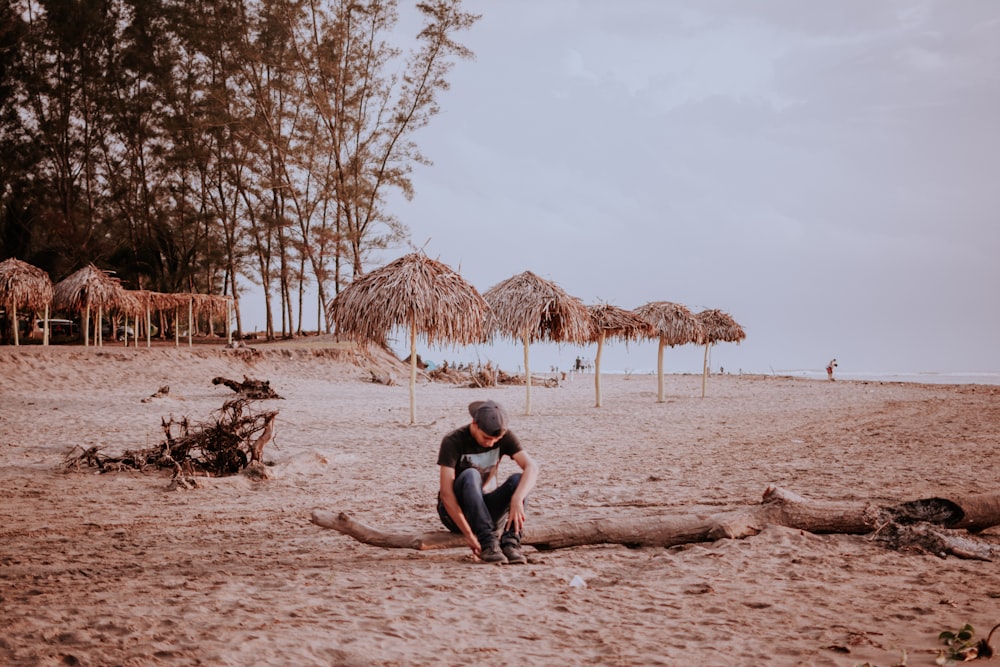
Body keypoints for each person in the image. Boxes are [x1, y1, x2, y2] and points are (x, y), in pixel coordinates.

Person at [437, 400, 539, 564]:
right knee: (471, 474)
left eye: (495, 440)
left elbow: (532, 467)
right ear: (474, 424)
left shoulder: (505, 437)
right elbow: (446, 494)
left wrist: (517, 498)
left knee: (519, 480)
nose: (491, 443)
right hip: (456, 513)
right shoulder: (453, 440)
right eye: (486, 438)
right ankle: (488, 544)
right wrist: (469, 535)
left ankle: (510, 543)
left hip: (487, 511)